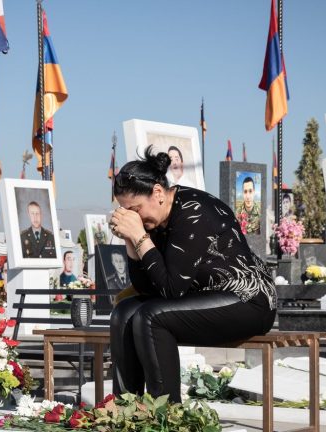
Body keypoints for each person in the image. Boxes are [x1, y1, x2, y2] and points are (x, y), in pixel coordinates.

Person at [107, 145, 276, 403]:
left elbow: (171, 290)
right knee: (124, 312)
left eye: (136, 209)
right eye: (126, 212)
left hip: (248, 300)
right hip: (204, 297)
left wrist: (140, 236)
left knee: (152, 316)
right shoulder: (154, 220)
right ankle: (126, 409)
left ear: (158, 193)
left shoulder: (193, 211)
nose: (133, 217)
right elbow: (146, 287)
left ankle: (165, 417)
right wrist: (132, 239)